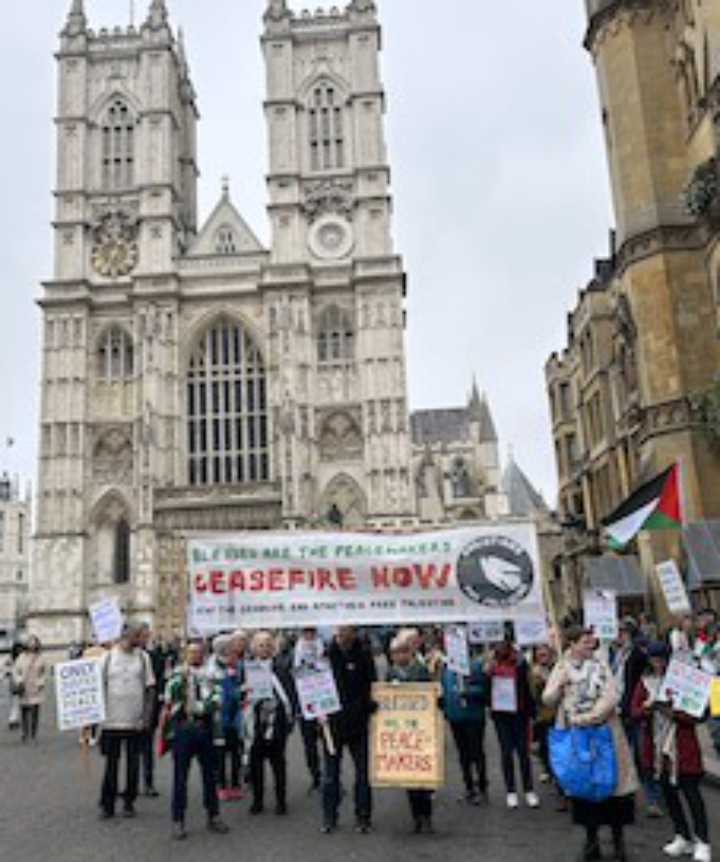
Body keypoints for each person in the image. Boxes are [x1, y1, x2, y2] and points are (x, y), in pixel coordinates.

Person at [544, 625, 638, 862]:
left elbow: (611, 696)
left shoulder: (601, 665)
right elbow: (548, 698)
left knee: (614, 789)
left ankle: (618, 842)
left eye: (592, 642)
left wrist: (587, 718)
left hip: (606, 733)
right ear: (572, 644)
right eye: (585, 642)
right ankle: (591, 841)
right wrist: (558, 683)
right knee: (584, 788)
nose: (591, 646)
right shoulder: (562, 667)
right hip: (578, 738)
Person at [631, 642, 711, 862]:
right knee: (669, 794)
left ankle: (702, 841)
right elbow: (634, 711)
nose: (656, 664)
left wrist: (674, 712)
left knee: (691, 793)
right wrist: (647, 709)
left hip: (682, 746)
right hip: (657, 749)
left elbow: (699, 713)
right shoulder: (645, 682)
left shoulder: (684, 680)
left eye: (660, 659)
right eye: (653, 660)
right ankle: (681, 835)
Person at [165, 640, 229, 840]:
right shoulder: (177, 674)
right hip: (183, 729)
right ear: (185, 654)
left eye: (199, 652)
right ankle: (178, 820)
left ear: (204, 654)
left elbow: (218, 699)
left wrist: (198, 708)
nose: (195, 656)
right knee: (180, 777)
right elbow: (170, 696)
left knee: (210, 776)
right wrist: (181, 682)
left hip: (205, 728)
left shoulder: (213, 675)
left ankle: (213, 815)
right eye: (191, 652)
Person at [321, 626, 377, 835]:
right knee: (331, 775)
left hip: (358, 724)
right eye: (339, 631)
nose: (342, 635)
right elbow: (313, 687)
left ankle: (363, 817)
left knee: (362, 774)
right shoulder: (326, 656)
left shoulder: (363, 654)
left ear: (354, 633)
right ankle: (329, 817)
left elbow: (371, 685)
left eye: (347, 631)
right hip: (332, 724)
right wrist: (317, 711)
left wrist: (368, 706)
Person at [98, 623, 155, 820]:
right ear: (124, 635)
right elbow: (97, 688)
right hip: (111, 720)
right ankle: (108, 804)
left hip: (135, 721)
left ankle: (129, 801)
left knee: (133, 765)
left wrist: (146, 717)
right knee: (111, 765)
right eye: (136, 635)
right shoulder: (106, 658)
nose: (140, 638)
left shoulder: (143, 657)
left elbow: (150, 689)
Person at [611, 618, 659, 817]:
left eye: (621, 632)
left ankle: (653, 798)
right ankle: (632, 794)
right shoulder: (618, 655)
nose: (617, 636)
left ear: (628, 634)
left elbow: (645, 678)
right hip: (620, 711)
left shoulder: (637, 654)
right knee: (627, 757)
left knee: (642, 757)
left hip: (635, 711)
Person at [387, 636, 435, 833]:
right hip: (402, 730)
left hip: (421, 728)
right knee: (409, 777)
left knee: (423, 777)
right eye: (397, 653)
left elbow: (430, 694)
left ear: (410, 652)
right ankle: (415, 816)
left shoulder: (420, 670)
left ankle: (427, 815)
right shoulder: (390, 673)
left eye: (404, 651)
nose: (400, 656)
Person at [244, 631, 295, 816]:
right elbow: (239, 696)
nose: (264, 648)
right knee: (256, 764)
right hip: (257, 723)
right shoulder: (247, 669)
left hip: (277, 722)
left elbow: (290, 693)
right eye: (260, 644)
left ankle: (281, 801)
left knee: (278, 763)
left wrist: (289, 716)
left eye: (267, 644)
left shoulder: (280, 669)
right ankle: (257, 800)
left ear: (273, 648)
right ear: (254, 648)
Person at [488, 638, 539, 809]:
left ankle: (528, 789)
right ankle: (511, 791)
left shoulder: (520, 663)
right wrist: (485, 675)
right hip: (501, 715)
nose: (501, 648)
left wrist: (532, 712)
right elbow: (485, 689)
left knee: (523, 752)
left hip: (519, 713)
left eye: (504, 645)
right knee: (506, 752)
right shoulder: (490, 664)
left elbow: (527, 687)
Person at [441, 643, 488, 805]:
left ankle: (482, 787)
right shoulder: (446, 667)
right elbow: (444, 690)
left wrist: (467, 692)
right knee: (463, 754)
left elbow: (484, 690)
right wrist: (446, 710)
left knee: (476, 752)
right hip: (455, 717)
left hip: (473, 717)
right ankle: (468, 787)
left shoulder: (476, 666)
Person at [209, 634, 244, 801]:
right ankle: (221, 784)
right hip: (219, 716)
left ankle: (236, 784)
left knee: (236, 751)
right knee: (220, 753)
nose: (233, 648)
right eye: (230, 645)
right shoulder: (213, 667)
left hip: (235, 715)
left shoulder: (237, 665)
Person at [293, 627, 325, 792]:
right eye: (305, 631)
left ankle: (331, 776)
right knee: (309, 743)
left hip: (324, 701)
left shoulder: (323, 647)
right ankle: (316, 776)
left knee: (328, 741)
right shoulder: (296, 650)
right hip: (304, 702)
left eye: (311, 631)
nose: (309, 635)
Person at [138, 623, 166, 797]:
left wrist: (159, 706)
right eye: (141, 635)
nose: (144, 638)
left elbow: (159, 682)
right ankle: (128, 784)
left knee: (147, 746)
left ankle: (148, 782)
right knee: (130, 749)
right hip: (126, 708)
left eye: (145, 635)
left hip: (149, 707)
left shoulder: (155, 656)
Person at [12, 636, 47, 743]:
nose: (32, 644)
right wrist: (19, 681)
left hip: (36, 687)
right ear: (27, 644)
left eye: (34, 642)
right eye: (30, 642)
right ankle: (25, 733)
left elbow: (44, 671)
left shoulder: (41, 657)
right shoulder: (21, 656)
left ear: (37, 644)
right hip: (24, 687)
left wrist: (41, 682)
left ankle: (33, 734)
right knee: (24, 712)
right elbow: (16, 670)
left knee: (35, 712)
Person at [5, 641, 24, 730]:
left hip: (17, 683)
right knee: (16, 703)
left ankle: (14, 720)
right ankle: (13, 720)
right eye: (18, 649)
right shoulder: (13, 659)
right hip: (15, 683)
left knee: (16, 703)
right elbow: (7, 670)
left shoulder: (11, 658)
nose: (19, 651)